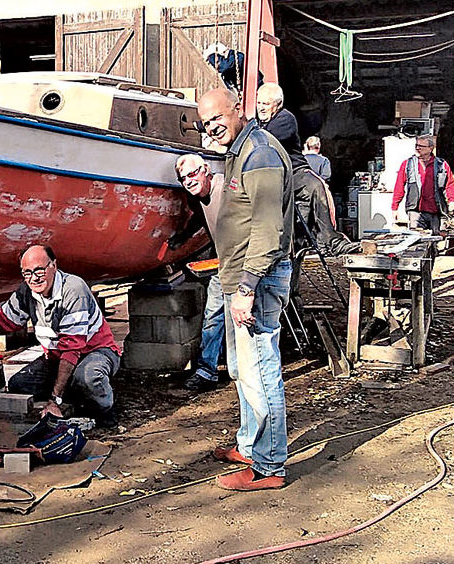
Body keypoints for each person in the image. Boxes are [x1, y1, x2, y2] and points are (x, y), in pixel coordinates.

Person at [197, 88, 293, 491]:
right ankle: (250, 444)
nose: (212, 127)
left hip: (257, 280)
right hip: (237, 277)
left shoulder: (260, 155)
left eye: (217, 117)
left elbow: (268, 230)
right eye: (205, 123)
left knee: (261, 371)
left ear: (238, 109)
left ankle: (269, 467)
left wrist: (247, 287)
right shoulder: (239, 149)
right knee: (242, 370)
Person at [0, 245, 121, 427]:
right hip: (55, 356)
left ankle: (106, 412)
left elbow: (71, 350)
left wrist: (55, 401)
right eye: (27, 273)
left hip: (95, 351)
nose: (34, 278)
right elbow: (0, 321)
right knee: (19, 385)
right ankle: (73, 390)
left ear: (53, 265)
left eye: (39, 270)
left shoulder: (74, 290)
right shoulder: (26, 291)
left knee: (88, 378)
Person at [256, 83, 357, 256]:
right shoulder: (255, 123)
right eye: (259, 103)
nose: (261, 108)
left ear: (278, 104)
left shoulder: (284, 119)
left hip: (294, 172)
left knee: (315, 186)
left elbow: (264, 140)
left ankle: (331, 240)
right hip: (270, 175)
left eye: (266, 104)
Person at [175, 154, 226, 394]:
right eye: (183, 178)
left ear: (206, 169)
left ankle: (246, 372)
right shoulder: (196, 197)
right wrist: (182, 237)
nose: (188, 181)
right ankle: (207, 371)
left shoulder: (226, 190)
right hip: (222, 263)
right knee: (213, 316)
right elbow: (199, 218)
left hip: (246, 265)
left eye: (192, 174)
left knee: (249, 319)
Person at [391, 134, 454, 235]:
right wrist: (395, 208)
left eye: (421, 146)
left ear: (431, 148)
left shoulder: (442, 165)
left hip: (436, 211)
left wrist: (452, 201)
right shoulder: (407, 164)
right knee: (416, 242)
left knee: (435, 241)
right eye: (416, 145)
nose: (418, 148)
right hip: (415, 212)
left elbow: (450, 184)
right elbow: (399, 186)